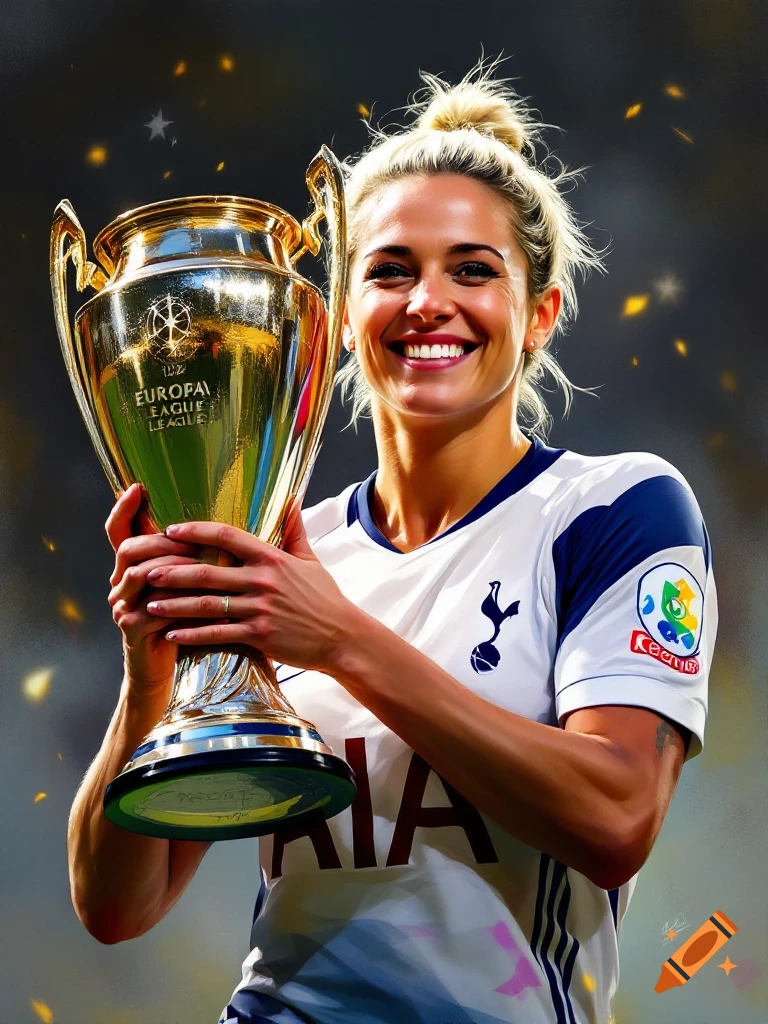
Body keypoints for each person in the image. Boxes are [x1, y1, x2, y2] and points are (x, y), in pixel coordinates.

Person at [67, 64, 717, 1024]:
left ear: (539, 314)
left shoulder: (615, 507)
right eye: (390, 269)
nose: (428, 303)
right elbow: (119, 904)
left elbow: (616, 817)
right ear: (331, 324)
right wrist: (151, 676)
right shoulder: (290, 548)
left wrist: (340, 642)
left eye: (473, 269)